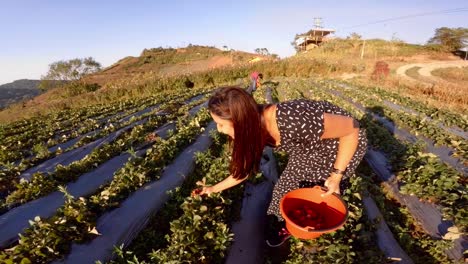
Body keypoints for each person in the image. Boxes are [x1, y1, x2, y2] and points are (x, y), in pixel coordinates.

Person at [192, 86, 367, 246]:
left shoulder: (292, 120)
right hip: (307, 146)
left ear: (241, 122)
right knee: (283, 190)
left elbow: (352, 129)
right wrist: (213, 189)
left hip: (340, 144)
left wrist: (336, 175)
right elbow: (243, 171)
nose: (219, 130)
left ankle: (313, 233)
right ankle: (284, 226)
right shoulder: (253, 129)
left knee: (319, 193)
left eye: (221, 124)